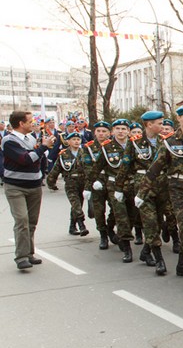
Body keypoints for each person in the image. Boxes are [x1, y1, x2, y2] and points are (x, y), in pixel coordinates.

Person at [139, 105, 183, 286]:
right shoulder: (169, 142)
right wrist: (142, 192)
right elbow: (154, 169)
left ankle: (181, 265)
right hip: (177, 189)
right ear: (179, 119)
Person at [2, 110, 55, 269]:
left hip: (34, 185)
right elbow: (25, 159)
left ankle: (29, 253)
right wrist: (42, 148)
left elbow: (38, 159)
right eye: (30, 121)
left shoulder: (31, 138)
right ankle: (21, 257)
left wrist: (42, 149)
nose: (33, 123)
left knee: (31, 222)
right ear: (21, 123)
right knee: (22, 221)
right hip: (15, 187)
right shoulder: (9, 140)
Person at [118, 110, 168, 274]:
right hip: (143, 187)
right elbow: (125, 166)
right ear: (149, 124)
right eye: (159, 123)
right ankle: (159, 259)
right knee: (150, 222)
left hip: (162, 185)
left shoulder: (165, 141)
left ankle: (146, 251)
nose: (162, 126)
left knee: (159, 222)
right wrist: (119, 187)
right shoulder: (135, 143)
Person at [88, 119, 135, 263]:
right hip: (114, 186)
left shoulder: (135, 145)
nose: (121, 131)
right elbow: (95, 168)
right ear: (113, 131)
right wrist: (92, 182)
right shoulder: (106, 147)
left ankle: (110, 229)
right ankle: (126, 247)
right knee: (121, 216)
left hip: (133, 185)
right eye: (118, 128)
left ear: (128, 131)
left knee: (132, 215)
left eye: (124, 129)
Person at [46, 132, 90, 236]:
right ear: (68, 142)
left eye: (78, 140)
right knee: (76, 204)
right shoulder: (64, 155)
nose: (76, 141)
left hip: (83, 182)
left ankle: (72, 226)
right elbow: (55, 170)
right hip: (71, 183)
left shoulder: (85, 153)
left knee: (78, 204)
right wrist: (51, 183)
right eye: (73, 139)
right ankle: (81, 225)